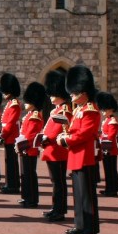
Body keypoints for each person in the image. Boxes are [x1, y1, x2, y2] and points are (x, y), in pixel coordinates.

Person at [57, 65, 101, 234]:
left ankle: (90, 229)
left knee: (87, 196)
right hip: (76, 155)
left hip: (84, 155)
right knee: (78, 193)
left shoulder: (90, 110)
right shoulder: (79, 110)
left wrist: (66, 140)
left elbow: (85, 134)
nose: (72, 96)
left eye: (74, 93)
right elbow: (76, 131)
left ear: (83, 92)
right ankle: (80, 224)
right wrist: (65, 133)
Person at [40, 70, 71, 222]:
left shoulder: (65, 110)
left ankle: (60, 210)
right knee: (55, 182)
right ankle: (55, 208)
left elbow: (59, 129)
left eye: (53, 94)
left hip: (58, 150)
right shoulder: (56, 110)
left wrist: (46, 138)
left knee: (59, 182)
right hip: (51, 149)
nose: (51, 97)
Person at [17, 81, 47, 208]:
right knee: (24, 174)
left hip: (29, 149)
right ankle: (26, 196)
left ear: (34, 103)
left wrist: (21, 145)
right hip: (24, 148)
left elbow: (31, 135)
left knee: (30, 175)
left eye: (28, 102)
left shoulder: (35, 116)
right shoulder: (30, 115)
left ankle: (32, 199)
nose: (25, 104)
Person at [0, 73, 22, 194]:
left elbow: (11, 123)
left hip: (11, 136)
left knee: (12, 162)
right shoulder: (9, 104)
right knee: (9, 161)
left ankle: (13, 185)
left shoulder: (14, 104)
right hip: (8, 135)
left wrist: (3, 135)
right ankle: (10, 183)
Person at [95, 91, 118, 197]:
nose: (103, 111)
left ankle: (112, 189)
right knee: (108, 170)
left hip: (110, 149)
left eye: (105, 109)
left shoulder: (112, 121)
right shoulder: (107, 120)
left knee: (111, 170)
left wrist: (102, 140)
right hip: (105, 148)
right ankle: (109, 187)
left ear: (111, 109)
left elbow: (111, 136)